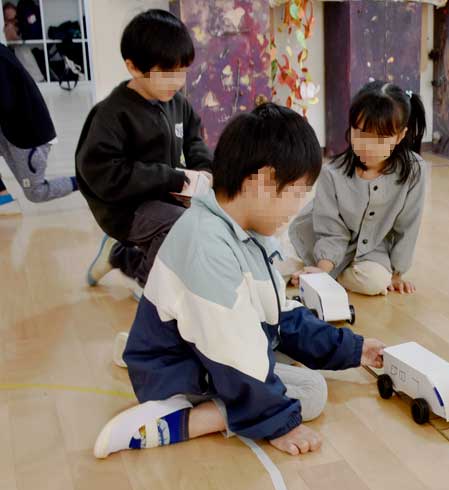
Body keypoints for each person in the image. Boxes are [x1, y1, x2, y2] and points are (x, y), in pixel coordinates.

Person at [94, 103, 385, 459]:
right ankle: (186, 419)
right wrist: (278, 421)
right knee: (311, 391)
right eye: (295, 193)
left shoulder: (244, 230)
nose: (296, 208)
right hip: (183, 367)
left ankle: (144, 355)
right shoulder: (209, 245)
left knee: (278, 347)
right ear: (261, 181)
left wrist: (353, 349)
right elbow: (234, 350)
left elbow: (279, 314)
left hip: (186, 346)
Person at [76, 9, 212, 290]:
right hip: (121, 207)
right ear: (133, 67)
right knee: (179, 225)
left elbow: (194, 140)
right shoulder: (112, 114)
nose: (176, 82)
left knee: (205, 219)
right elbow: (105, 174)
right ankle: (149, 285)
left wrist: (204, 171)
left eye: (182, 72)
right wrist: (171, 177)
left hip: (162, 196)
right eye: (166, 73)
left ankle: (119, 256)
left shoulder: (176, 102)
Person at [288, 80, 427, 296]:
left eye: (380, 139)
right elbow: (330, 229)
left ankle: (321, 274)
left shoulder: (415, 171)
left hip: (373, 249)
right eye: (359, 133)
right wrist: (324, 268)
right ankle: (319, 271)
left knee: (376, 282)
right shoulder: (332, 173)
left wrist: (397, 274)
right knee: (279, 266)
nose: (367, 146)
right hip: (320, 241)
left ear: (400, 136)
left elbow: (407, 227)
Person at [0, 42, 79, 216]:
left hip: (28, 134)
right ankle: (3, 198)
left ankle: (86, 182)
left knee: (36, 193)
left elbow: (5, 102)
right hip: (10, 128)